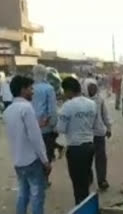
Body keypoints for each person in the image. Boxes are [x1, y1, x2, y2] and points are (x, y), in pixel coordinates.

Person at [3, 75, 51, 214]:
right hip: (32, 160)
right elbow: (35, 138)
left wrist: (38, 125)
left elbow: (20, 131)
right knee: (37, 196)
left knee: (23, 194)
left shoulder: (8, 111)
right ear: (23, 90)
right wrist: (45, 161)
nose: (33, 91)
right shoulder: (26, 108)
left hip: (18, 161)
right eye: (30, 88)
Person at [56, 77, 97, 205]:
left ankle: (82, 207)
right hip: (90, 145)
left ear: (68, 90)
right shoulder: (92, 104)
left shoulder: (67, 106)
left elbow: (60, 128)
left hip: (75, 148)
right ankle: (85, 204)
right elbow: (94, 124)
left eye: (64, 91)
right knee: (85, 179)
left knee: (78, 183)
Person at [32, 65, 59, 169]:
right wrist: (54, 125)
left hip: (32, 126)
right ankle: (43, 179)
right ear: (45, 74)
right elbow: (52, 109)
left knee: (35, 155)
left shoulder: (29, 87)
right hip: (46, 127)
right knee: (47, 155)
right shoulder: (49, 88)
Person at [87, 82, 112, 191]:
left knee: (101, 158)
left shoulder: (100, 100)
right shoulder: (82, 101)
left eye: (94, 88)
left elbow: (105, 115)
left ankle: (102, 180)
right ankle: (88, 177)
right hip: (86, 135)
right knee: (87, 158)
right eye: (90, 88)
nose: (92, 90)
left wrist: (109, 128)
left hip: (99, 133)